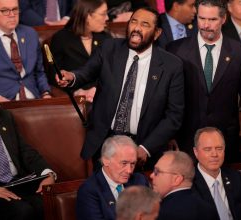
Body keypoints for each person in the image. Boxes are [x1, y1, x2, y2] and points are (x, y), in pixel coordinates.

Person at [57, 7, 184, 169]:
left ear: (157, 33)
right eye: (133, 22)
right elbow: (86, 72)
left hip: (142, 146)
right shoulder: (109, 48)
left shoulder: (171, 66)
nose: (136, 28)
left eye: (145, 24)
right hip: (106, 141)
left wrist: (146, 148)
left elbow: (174, 116)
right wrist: (72, 77)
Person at [166, 0, 241, 163]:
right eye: (201, 18)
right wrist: (169, 135)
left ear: (223, 19)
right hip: (186, 138)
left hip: (225, 139)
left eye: (212, 20)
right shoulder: (176, 50)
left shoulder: (240, 53)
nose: (205, 25)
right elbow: (168, 97)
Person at [0, 73, 56, 220]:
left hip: (18, 180)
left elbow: (24, 150)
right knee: (22, 212)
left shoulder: (4, 116)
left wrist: (47, 172)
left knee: (45, 204)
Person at [50, 0, 111, 102]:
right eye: (103, 14)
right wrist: (76, 92)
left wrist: (97, 89)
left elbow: (111, 73)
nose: (107, 18)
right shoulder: (61, 39)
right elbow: (54, 76)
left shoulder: (106, 38)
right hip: (75, 98)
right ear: (87, 16)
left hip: (103, 96)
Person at [76, 135, 149, 220]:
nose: (129, 171)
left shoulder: (139, 181)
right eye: (124, 163)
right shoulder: (89, 191)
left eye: (132, 164)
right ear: (106, 160)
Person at [192, 127, 241, 220]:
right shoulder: (188, 183)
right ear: (196, 152)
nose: (214, 154)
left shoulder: (235, 177)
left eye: (219, 148)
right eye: (207, 149)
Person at [150, 151, 218, 220]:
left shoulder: (159, 214)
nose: (151, 175)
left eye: (157, 171)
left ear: (176, 179)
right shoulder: (209, 210)